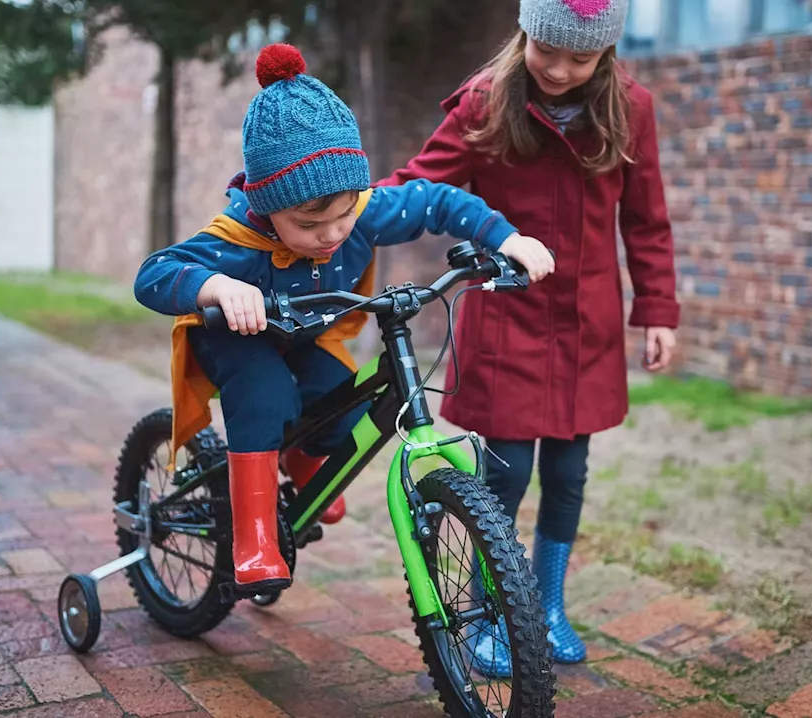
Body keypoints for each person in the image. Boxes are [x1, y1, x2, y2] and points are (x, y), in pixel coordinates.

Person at [133, 43, 555, 596]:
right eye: (310, 225)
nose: (333, 234)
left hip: (306, 335)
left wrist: (506, 237)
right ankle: (255, 534)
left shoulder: (356, 211)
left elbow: (436, 201)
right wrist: (216, 286)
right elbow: (154, 274)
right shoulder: (237, 240)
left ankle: (306, 470)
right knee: (265, 394)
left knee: (342, 394)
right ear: (268, 207)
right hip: (239, 340)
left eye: (344, 215)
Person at [378, 0, 680, 674]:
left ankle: (546, 605)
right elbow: (419, 183)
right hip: (508, 318)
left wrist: (658, 309)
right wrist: (341, 214)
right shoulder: (486, 104)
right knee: (505, 476)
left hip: (585, 321)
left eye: (581, 57)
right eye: (549, 50)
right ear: (526, 32)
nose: (562, 70)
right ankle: (488, 615)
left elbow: (648, 220)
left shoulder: (631, 109)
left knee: (568, 473)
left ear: (605, 52)